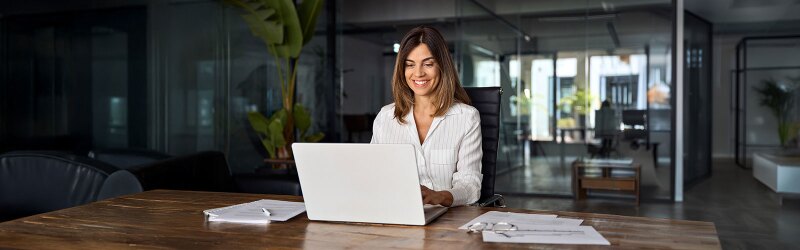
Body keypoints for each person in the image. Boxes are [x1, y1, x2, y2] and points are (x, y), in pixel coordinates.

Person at [370, 26, 483, 207]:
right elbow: (372, 175)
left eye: (428, 64)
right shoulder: (385, 118)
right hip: (397, 214)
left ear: (442, 66)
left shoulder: (466, 118)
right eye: (410, 64)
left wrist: (441, 196)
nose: (418, 73)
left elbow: (470, 185)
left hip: (448, 220)